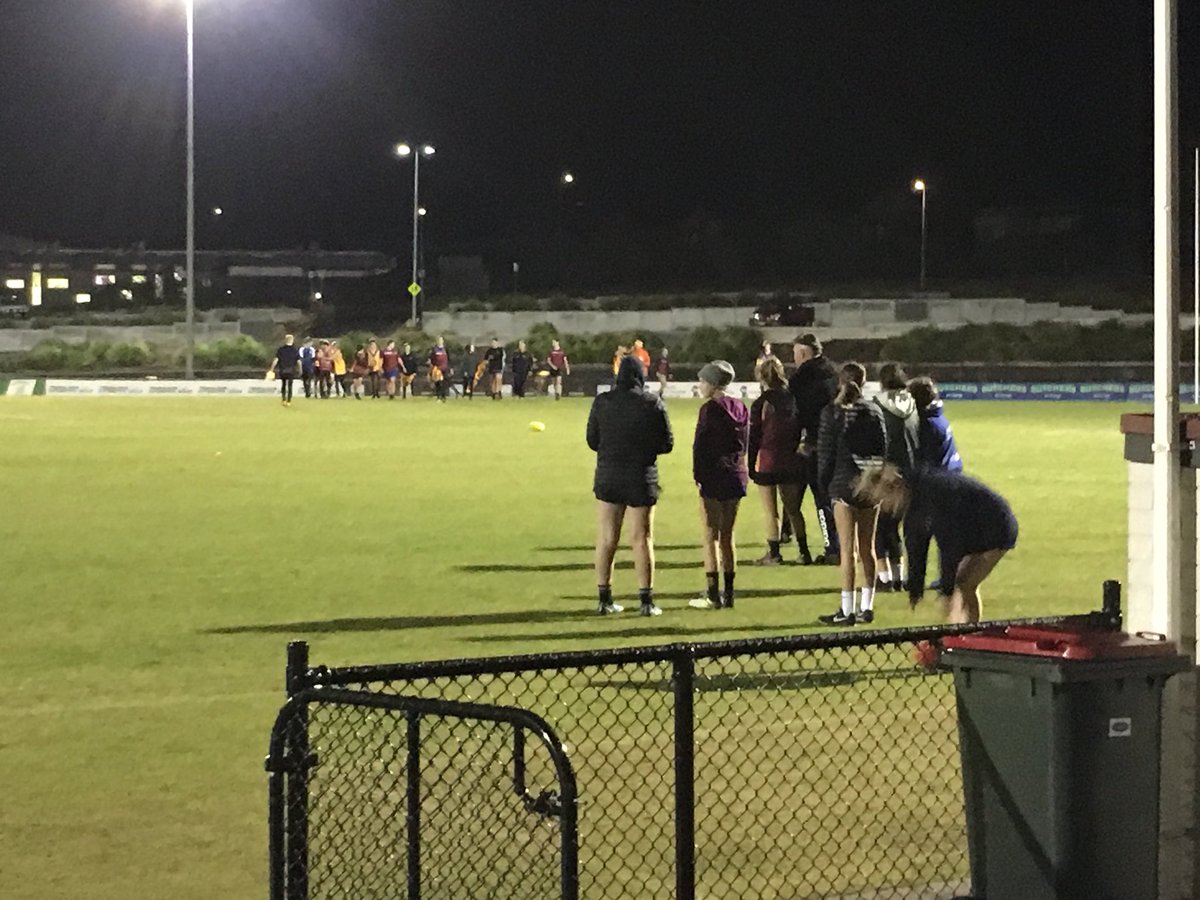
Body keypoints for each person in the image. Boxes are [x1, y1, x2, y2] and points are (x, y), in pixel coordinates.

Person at [858, 464, 1017, 624]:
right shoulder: (915, 498)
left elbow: (949, 544)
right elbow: (917, 545)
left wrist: (946, 590)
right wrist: (916, 589)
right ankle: (964, 632)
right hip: (976, 528)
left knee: (964, 583)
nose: (885, 507)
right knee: (963, 584)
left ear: (894, 489)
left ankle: (966, 633)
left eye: (883, 500)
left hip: (996, 527)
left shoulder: (930, 494)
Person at [587, 355, 674, 616]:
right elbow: (667, 443)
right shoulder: (652, 403)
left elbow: (592, 440)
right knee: (642, 538)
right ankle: (646, 601)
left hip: (609, 474)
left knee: (606, 538)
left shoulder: (603, 402)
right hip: (641, 476)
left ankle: (604, 598)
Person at [816, 362, 886, 626]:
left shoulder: (832, 413)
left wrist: (825, 487)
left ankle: (846, 610)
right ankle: (867, 608)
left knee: (847, 551)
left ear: (840, 382)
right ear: (864, 382)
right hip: (869, 485)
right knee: (867, 548)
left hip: (843, 485)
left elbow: (825, 455)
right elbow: (883, 450)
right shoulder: (874, 410)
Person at [687, 360, 749, 610]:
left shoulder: (709, 409)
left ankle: (713, 594)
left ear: (712, 383)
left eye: (703, 381)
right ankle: (730, 593)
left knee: (710, 535)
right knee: (728, 535)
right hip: (736, 473)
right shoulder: (741, 407)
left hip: (714, 474)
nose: (700, 385)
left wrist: (698, 475)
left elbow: (700, 446)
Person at [748, 357, 811, 566]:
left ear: (761, 376)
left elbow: (754, 436)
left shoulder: (761, 403)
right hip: (792, 459)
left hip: (768, 460)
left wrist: (750, 466)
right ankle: (804, 552)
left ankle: (774, 554)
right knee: (793, 510)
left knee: (770, 511)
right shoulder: (794, 399)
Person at [908, 375, 964, 592]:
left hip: (940, 484)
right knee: (945, 535)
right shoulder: (937, 415)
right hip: (951, 477)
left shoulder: (927, 424)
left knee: (937, 534)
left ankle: (945, 580)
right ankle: (946, 578)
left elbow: (924, 458)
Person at [789, 333, 840, 563]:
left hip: (813, 446)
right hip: (838, 444)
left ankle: (831, 547)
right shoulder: (834, 373)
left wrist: (801, 441)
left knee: (819, 500)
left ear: (802, 354)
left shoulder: (801, 379)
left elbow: (797, 415)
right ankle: (844, 543)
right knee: (836, 497)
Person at [872, 363, 919, 591]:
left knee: (880, 527)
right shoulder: (912, 404)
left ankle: (884, 578)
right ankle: (900, 576)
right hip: (911, 472)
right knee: (896, 527)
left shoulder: (879, 404)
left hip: (888, 472)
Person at [269, 333, 300, 406]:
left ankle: (283, 399)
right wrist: (300, 369)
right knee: (290, 385)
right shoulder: (295, 350)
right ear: (292, 340)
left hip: (283, 370)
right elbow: (299, 361)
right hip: (291, 370)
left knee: (283, 384)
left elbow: (276, 360)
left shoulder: (281, 350)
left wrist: (271, 369)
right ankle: (289, 401)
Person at [429, 337, 451, 402]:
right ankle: (438, 396)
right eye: (439, 340)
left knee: (444, 382)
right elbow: (432, 359)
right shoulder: (434, 349)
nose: (440, 341)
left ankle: (443, 396)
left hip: (445, 368)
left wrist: (450, 367)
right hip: (437, 368)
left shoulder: (446, 349)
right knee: (438, 383)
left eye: (441, 340)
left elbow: (449, 359)